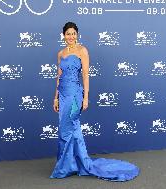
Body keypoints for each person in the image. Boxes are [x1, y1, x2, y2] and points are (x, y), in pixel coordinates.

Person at [50, 22, 139, 181]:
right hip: (63, 94)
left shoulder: (82, 50)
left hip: (75, 94)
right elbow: (59, 76)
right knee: (70, 129)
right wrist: (55, 97)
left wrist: (85, 97)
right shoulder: (60, 53)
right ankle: (74, 163)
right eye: (68, 33)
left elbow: (85, 76)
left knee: (68, 129)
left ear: (77, 35)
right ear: (63, 35)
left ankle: (66, 166)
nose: (71, 36)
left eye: (73, 33)